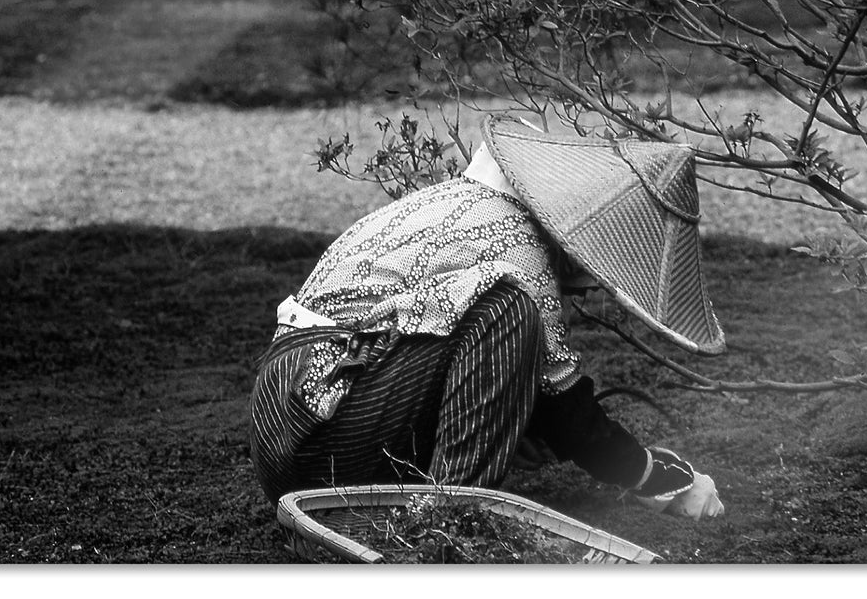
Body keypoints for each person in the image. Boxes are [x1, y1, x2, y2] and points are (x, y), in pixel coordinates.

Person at [248, 116, 726, 519]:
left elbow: (422, 344)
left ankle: (409, 511)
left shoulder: (447, 203)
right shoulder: (516, 241)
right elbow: (566, 406)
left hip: (282, 428)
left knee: (500, 324)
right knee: (509, 309)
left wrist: (517, 422)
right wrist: (653, 476)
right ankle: (438, 531)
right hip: (322, 426)